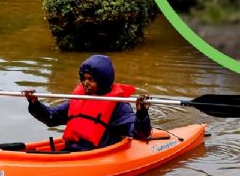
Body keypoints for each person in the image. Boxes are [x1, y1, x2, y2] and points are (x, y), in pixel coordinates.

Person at [23, 54, 151, 151]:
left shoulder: (117, 105)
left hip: (97, 154)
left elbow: (139, 134)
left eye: (91, 79)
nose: (85, 83)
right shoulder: (80, 99)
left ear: (103, 81)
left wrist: (141, 113)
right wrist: (35, 103)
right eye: (83, 78)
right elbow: (51, 118)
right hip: (72, 151)